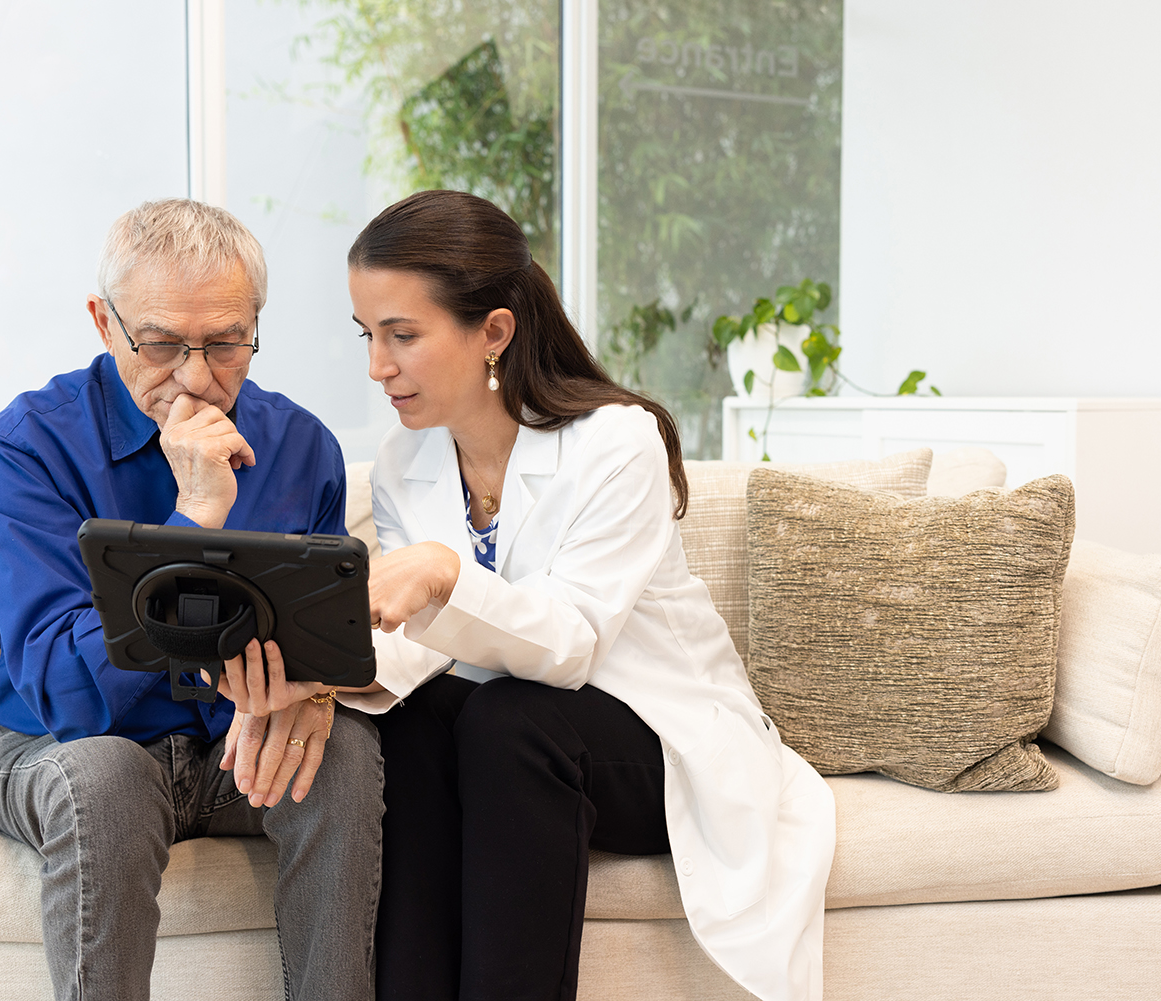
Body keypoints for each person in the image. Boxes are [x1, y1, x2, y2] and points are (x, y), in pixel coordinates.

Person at [334, 189, 837, 1001]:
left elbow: (570, 644)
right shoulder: (404, 463)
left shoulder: (615, 442)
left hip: (656, 735)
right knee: (414, 724)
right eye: (368, 335)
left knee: (510, 717)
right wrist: (316, 669)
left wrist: (442, 571)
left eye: (402, 335)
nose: (377, 366)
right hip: (516, 741)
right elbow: (417, 648)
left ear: (493, 330)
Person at [0, 198, 382, 1001]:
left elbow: (323, 637)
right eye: (160, 343)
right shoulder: (25, 447)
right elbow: (63, 689)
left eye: (227, 342)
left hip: (236, 747)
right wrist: (194, 517)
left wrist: (315, 691)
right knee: (106, 777)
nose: (197, 375)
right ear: (104, 321)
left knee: (345, 752)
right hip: (60, 745)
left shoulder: (304, 446)